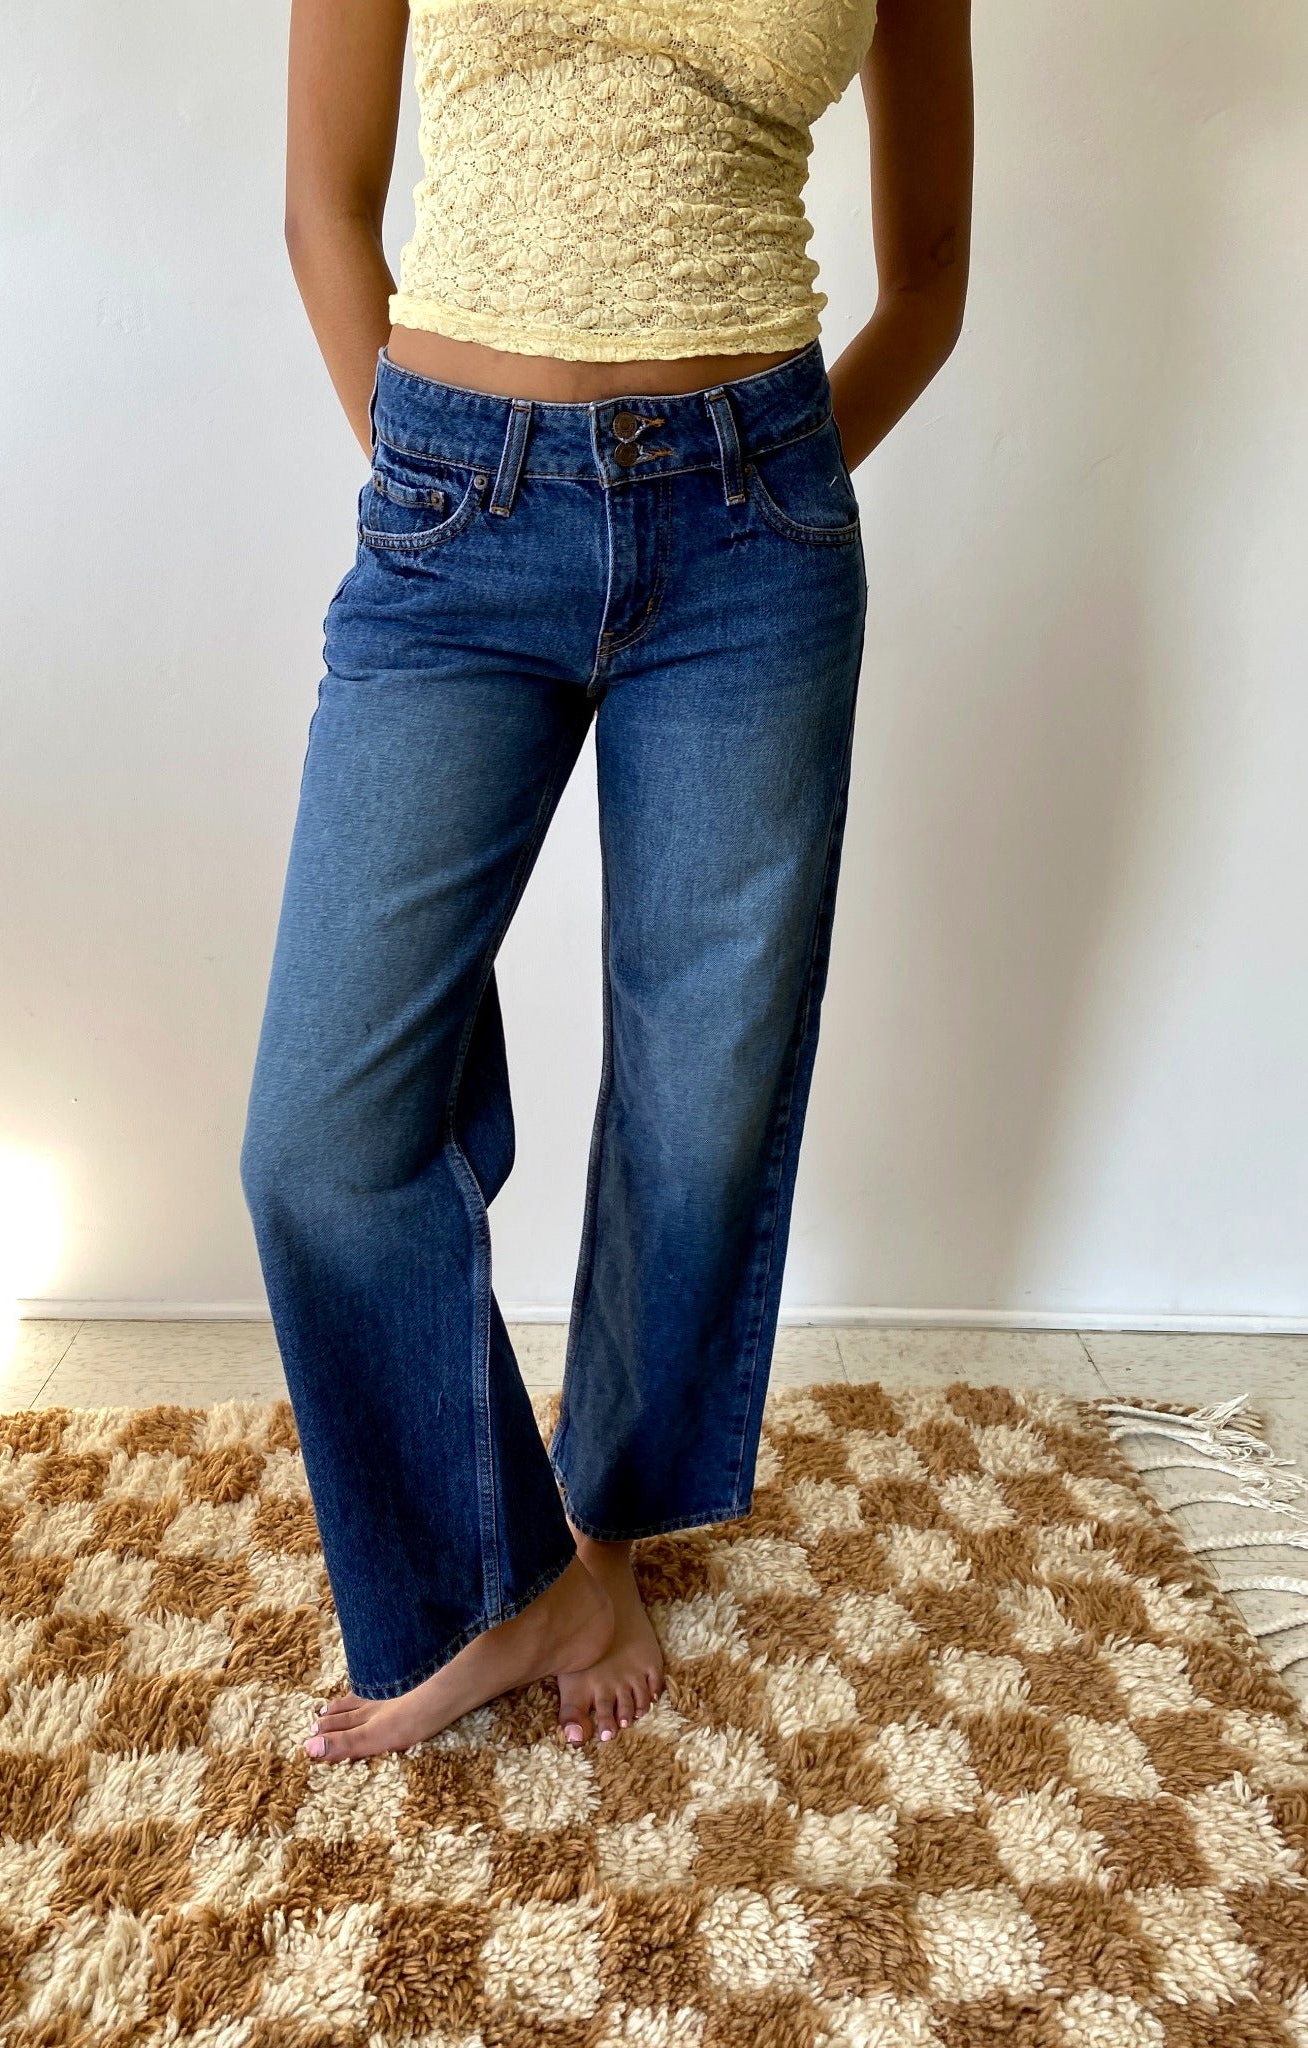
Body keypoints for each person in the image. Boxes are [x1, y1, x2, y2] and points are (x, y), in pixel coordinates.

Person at [239, 0, 973, 1762]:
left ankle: (600, 1543)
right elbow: (323, 205)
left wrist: (755, 499)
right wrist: (445, 483)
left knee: (702, 1098)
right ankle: (498, 1576)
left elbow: (930, 277)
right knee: (322, 1136)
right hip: (456, 506)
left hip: (756, 539)